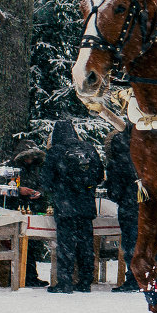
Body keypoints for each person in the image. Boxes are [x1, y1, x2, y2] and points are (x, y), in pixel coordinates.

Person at [42, 120, 104, 293]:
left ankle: (65, 282)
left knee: (66, 245)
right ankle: (85, 281)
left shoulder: (56, 151)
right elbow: (99, 175)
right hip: (86, 205)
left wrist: (59, 189)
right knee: (86, 245)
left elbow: (46, 181)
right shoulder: (89, 149)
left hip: (65, 206)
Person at [104, 127, 141, 292]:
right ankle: (149, 276)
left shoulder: (116, 162)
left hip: (128, 207)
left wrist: (116, 195)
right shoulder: (141, 157)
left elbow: (115, 191)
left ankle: (134, 278)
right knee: (145, 242)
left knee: (130, 243)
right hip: (145, 205)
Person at [9, 140, 48, 287]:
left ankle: (31, 275)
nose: (29, 160)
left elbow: (43, 184)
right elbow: (6, 187)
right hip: (16, 207)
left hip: (33, 206)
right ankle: (19, 275)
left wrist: (39, 192)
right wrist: (19, 190)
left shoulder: (36, 167)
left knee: (32, 244)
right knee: (19, 243)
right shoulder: (13, 168)